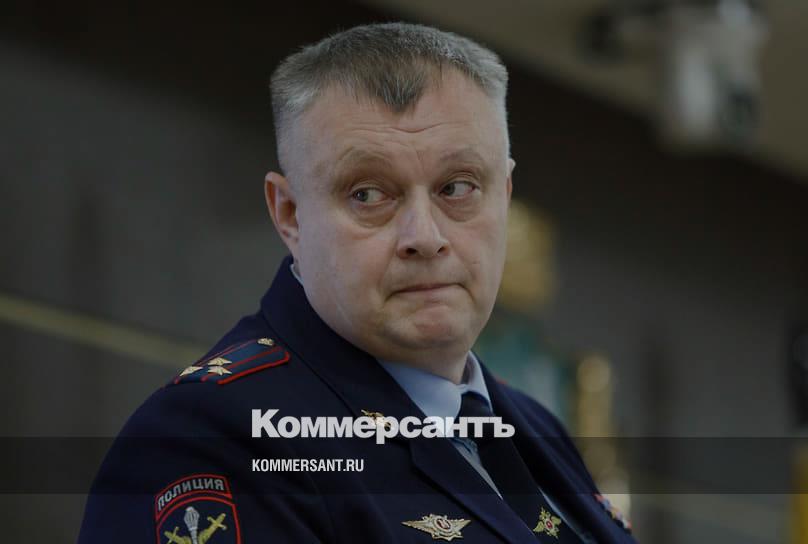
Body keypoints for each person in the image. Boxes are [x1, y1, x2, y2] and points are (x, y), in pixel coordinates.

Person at [78, 22, 635, 543]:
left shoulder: (535, 428)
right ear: (290, 214)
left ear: (505, 196)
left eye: (458, 187)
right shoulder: (211, 441)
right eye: (368, 194)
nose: (425, 237)